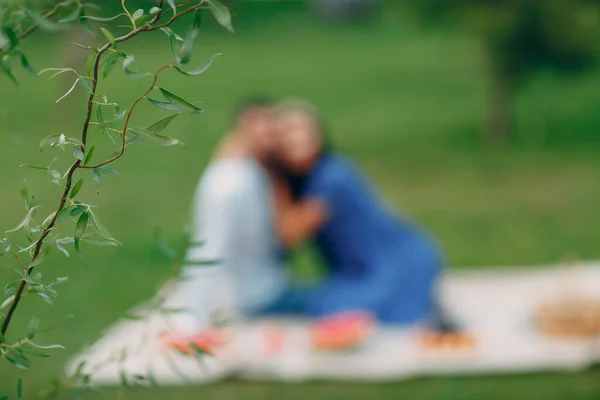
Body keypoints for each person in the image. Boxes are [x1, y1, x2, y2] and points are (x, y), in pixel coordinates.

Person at [271, 99, 450, 328]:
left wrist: (272, 175)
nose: (296, 137)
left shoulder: (331, 177)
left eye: (302, 128)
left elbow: (290, 234)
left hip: (397, 264)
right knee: (326, 304)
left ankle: (430, 315)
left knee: (333, 310)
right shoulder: (307, 180)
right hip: (362, 271)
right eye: (286, 130)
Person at [161, 97, 289, 351]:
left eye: (272, 131)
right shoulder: (230, 183)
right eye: (259, 130)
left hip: (257, 284)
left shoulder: (253, 170)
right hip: (252, 296)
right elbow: (209, 248)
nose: (268, 138)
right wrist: (191, 321)